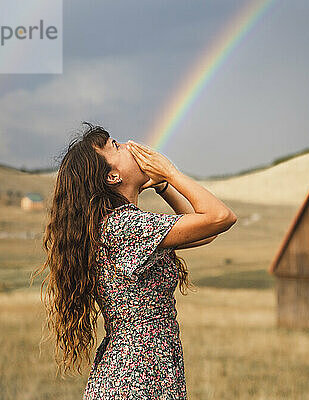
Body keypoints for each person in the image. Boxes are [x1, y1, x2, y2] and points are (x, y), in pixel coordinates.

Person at [33, 122, 237, 399]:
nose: (129, 144)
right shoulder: (124, 227)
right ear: (113, 177)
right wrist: (171, 172)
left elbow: (204, 234)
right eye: (115, 146)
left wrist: (164, 186)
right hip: (136, 377)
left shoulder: (124, 225)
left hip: (140, 372)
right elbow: (220, 217)